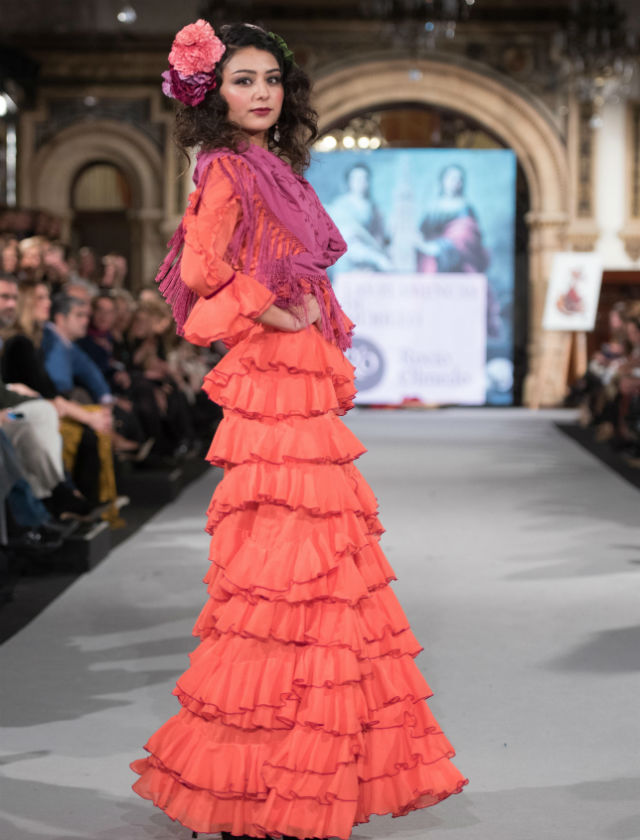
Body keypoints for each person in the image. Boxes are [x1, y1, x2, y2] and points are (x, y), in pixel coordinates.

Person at [130, 21, 467, 840]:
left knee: (316, 568)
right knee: (286, 571)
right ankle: (268, 784)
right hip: (275, 381)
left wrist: (295, 315)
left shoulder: (269, 165)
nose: (261, 93)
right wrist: (277, 309)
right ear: (214, 91)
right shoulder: (227, 170)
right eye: (243, 79)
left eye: (271, 80)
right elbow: (204, 274)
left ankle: (291, 780)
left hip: (298, 378)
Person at [327, 162, 392, 272]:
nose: (360, 182)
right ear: (349, 181)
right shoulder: (340, 206)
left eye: (364, 178)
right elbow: (345, 239)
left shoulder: (375, 210)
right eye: (356, 179)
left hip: (371, 269)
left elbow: (381, 238)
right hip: (348, 266)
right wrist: (377, 258)